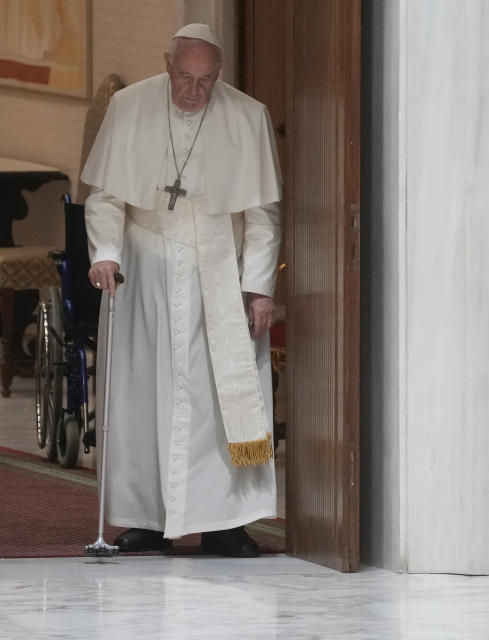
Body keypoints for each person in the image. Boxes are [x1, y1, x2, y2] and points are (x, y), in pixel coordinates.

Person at [80, 23, 282, 557]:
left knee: (218, 400)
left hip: (218, 266)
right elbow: (104, 196)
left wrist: (258, 288)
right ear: (167, 66)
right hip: (145, 265)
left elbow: (262, 215)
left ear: (219, 76)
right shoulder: (129, 106)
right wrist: (105, 253)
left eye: (206, 81)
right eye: (185, 78)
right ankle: (146, 517)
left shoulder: (248, 115)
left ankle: (225, 522)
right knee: (143, 392)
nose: (194, 92)